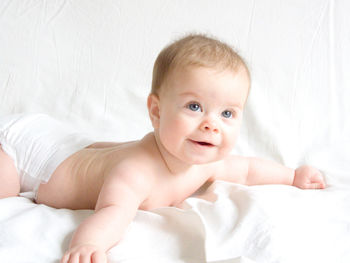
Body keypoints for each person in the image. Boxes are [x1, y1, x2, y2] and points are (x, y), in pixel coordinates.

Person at [0, 34, 326, 263]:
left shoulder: (205, 163)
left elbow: (247, 169)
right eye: (194, 106)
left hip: (71, 146)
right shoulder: (136, 173)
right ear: (156, 111)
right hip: (31, 155)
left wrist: (293, 175)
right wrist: (87, 245)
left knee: (96, 156)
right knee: (7, 186)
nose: (212, 124)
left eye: (227, 113)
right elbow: (113, 213)